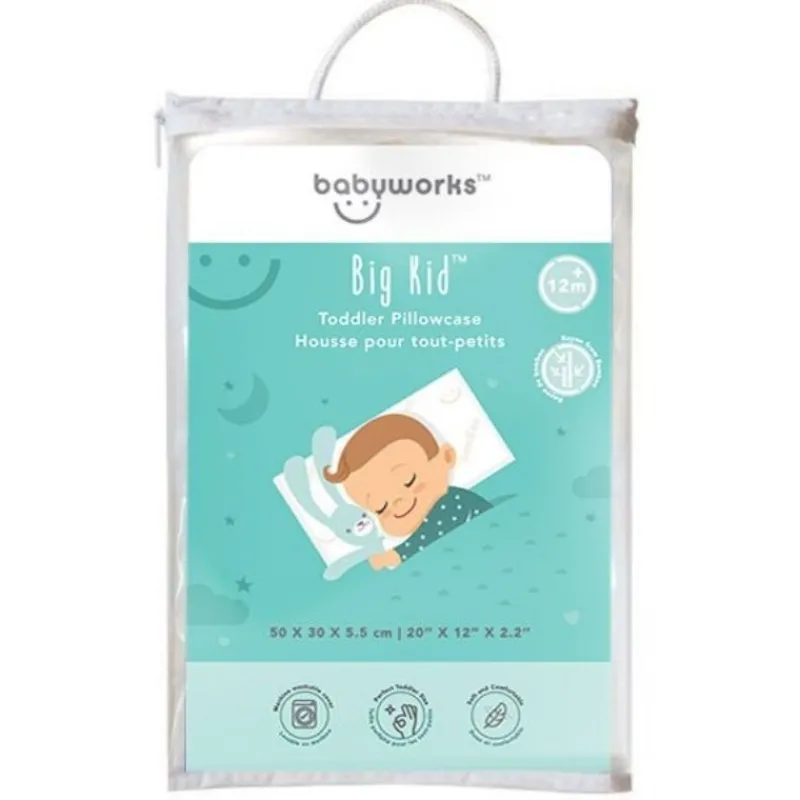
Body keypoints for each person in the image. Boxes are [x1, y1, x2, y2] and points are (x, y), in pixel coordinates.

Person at [323, 413, 492, 569]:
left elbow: (433, 529)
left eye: (408, 481)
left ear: (447, 457)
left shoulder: (453, 503)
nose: (397, 502)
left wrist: (397, 555)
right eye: (380, 507)